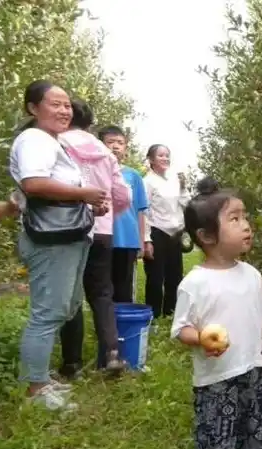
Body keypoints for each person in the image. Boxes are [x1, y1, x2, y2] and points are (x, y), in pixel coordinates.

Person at [171, 177, 262, 449]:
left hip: (254, 372)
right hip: (216, 381)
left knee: (259, 433)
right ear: (207, 236)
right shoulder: (194, 284)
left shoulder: (252, 275)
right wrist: (201, 338)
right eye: (235, 219)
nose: (246, 225)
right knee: (217, 443)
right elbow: (181, 330)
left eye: (245, 216)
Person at [10, 80, 107, 410]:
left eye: (67, 104)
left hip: (65, 236)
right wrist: (84, 194)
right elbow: (34, 183)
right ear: (33, 108)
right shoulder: (35, 139)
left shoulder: (50, 142)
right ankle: (35, 390)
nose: (64, 110)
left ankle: (41, 378)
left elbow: (44, 189)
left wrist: (88, 202)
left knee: (63, 308)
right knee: (47, 312)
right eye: (55, 104)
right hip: (50, 241)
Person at [58, 101, 131, 378]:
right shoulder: (104, 152)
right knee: (102, 292)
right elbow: (123, 195)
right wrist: (110, 212)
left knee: (71, 292)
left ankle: (72, 362)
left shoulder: (58, 143)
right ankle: (112, 353)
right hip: (101, 229)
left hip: (68, 227)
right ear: (90, 122)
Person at [98, 125, 148, 303]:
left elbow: (140, 211)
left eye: (120, 143)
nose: (116, 146)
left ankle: (124, 326)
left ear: (125, 148)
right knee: (102, 287)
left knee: (124, 288)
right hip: (101, 236)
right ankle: (107, 327)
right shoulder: (95, 171)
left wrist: (142, 242)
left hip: (127, 239)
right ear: (100, 145)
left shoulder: (134, 176)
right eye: (110, 142)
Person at [143, 144, 189, 318]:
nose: (165, 159)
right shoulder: (147, 181)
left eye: (167, 155)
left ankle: (170, 314)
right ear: (151, 159)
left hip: (175, 234)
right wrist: (147, 239)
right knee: (155, 278)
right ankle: (152, 316)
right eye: (161, 155)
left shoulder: (175, 180)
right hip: (157, 232)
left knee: (175, 276)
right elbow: (144, 211)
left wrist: (184, 186)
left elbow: (185, 203)